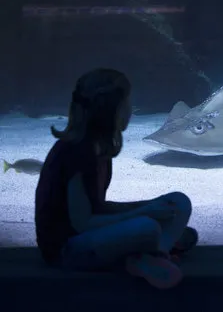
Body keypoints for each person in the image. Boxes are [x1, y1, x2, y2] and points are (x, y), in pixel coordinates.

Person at [35, 68, 198, 289]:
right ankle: (141, 257)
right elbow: (82, 223)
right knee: (147, 227)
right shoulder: (77, 152)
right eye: (127, 104)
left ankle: (153, 255)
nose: (131, 109)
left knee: (179, 203)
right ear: (110, 110)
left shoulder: (100, 147)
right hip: (67, 250)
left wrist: (149, 205)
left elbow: (98, 208)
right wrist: (144, 213)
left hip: (89, 236)